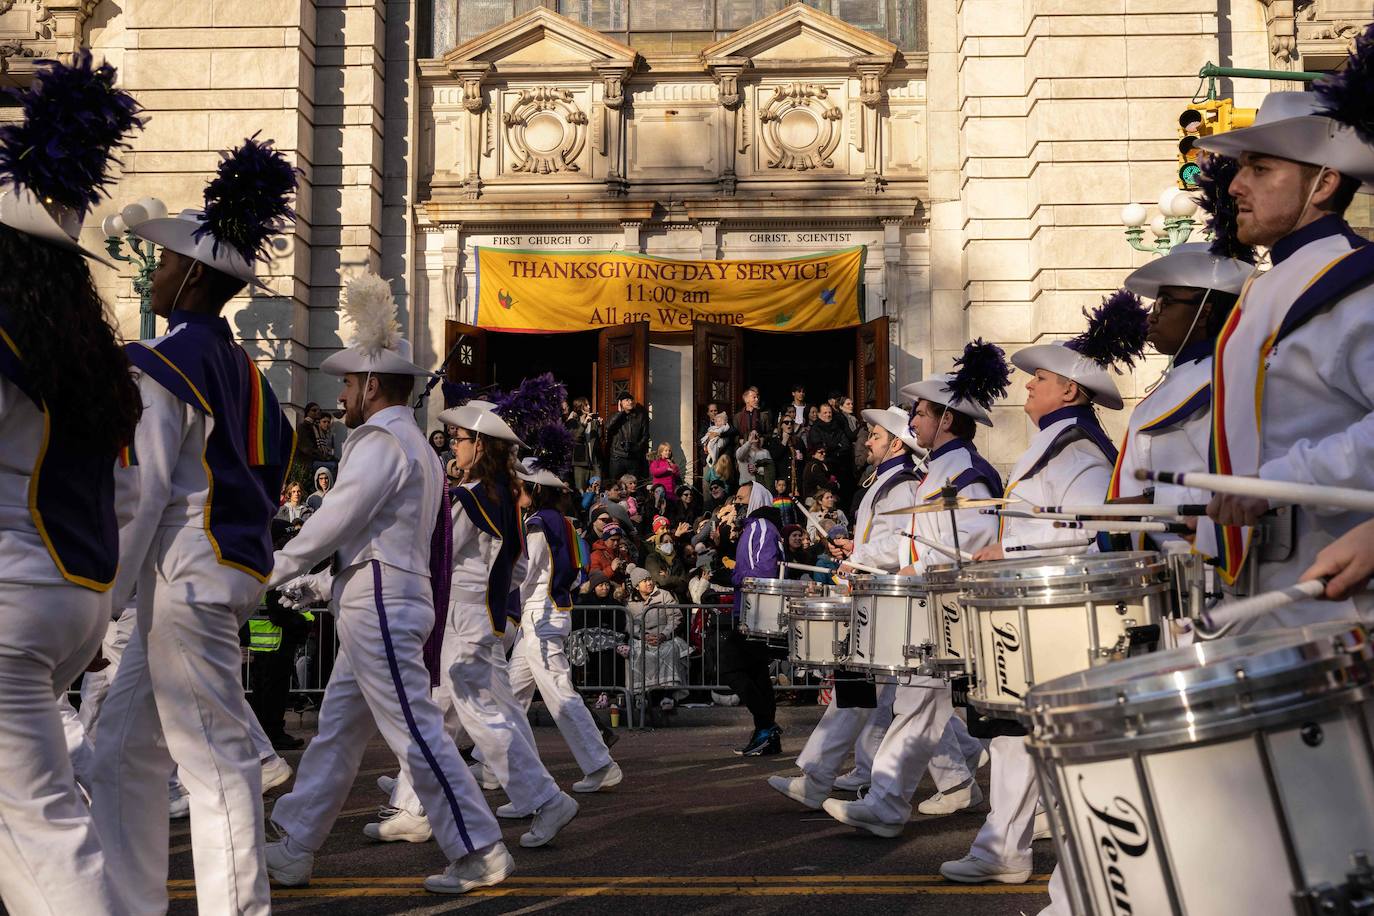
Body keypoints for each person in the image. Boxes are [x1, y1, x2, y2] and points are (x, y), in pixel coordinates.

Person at [89, 134, 299, 914]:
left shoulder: (162, 361)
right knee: (117, 753)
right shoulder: (245, 370)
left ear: (197, 276)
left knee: (213, 767)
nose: (155, 272)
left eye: (167, 262)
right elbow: (272, 466)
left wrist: (100, 604)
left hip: (182, 579)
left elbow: (138, 495)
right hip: (214, 574)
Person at [262, 273, 512, 894]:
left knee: (414, 730)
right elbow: (374, 537)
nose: (342, 394)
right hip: (378, 598)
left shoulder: (380, 438)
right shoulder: (412, 443)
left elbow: (337, 518)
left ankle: (479, 848)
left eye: (349, 383)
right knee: (338, 732)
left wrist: (276, 567)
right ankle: (294, 844)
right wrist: (319, 584)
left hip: (379, 603)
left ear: (372, 385)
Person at [0, 53, 143, 915]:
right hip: (71, 597)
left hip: (11, 601)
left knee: (41, 824)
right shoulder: (87, 348)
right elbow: (124, 495)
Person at [943, 292, 1147, 890]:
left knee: (1054, 741)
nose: (1028, 386)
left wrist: (1008, 551)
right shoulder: (1058, 441)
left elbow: (1086, 529)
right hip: (1039, 609)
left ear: (1070, 392)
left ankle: (1072, 870)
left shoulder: (1079, 449)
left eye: (1041, 379)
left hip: (1063, 613)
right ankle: (1006, 848)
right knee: (1018, 734)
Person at [1193, 50, 1374, 629]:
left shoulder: (1357, 282)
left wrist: (1277, 482)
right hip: (1263, 587)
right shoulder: (1271, 284)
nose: (1235, 186)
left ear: (1324, 183)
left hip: (1336, 598)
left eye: (1260, 168)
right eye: (1240, 168)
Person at [822, 341, 1010, 838]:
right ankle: (897, 801)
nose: (914, 420)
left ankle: (895, 803)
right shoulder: (941, 469)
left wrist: (914, 571)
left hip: (948, 606)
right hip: (932, 604)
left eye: (921, 412)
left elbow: (971, 542)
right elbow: (924, 539)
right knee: (919, 706)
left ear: (946, 419)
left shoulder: (965, 472)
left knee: (924, 706)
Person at [403, 396, 578, 847]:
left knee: (480, 719)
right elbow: (516, 569)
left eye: (460, 439)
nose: (454, 445)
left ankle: (545, 798)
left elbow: (435, 555)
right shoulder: (503, 496)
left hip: (462, 619)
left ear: (479, 444)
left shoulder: (470, 497)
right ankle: (413, 802)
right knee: (448, 714)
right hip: (481, 617)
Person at [767, 406, 921, 811]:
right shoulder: (885, 482)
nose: (867, 442)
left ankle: (818, 779)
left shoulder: (902, 485)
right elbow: (884, 539)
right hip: (878, 597)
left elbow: (904, 543)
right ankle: (956, 775)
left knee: (870, 694)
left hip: (889, 600)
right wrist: (855, 547)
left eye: (875, 436)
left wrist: (859, 555)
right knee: (894, 699)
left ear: (896, 444)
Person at [1108, 242, 1253, 540]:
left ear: (1204, 313)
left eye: (1166, 304)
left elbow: (1243, 482)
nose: (1152, 316)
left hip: (1202, 555)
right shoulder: (1187, 376)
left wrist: (1150, 500)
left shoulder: (1222, 380)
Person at [505, 459, 623, 807]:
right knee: (510, 693)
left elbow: (524, 573)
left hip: (539, 615)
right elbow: (572, 573)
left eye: (524, 483)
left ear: (536, 489)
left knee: (559, 693)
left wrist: (501, 601)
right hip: (547, 612)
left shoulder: (538, 523)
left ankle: (600, 764)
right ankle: (491, 763)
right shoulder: (564, 522)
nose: (518, 488)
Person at [721, 482, 788, 755]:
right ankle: (766, 734)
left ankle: (767, 726)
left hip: (755, 612)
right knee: (758, 674)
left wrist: (733, 575)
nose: (736, 503)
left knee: (728, 667)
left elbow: (761, 572)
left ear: (756, 500)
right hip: (755, 610)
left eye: (741, 498)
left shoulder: (759, 526)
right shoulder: (758, 527)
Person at [623, 565, 689, 706]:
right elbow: (629, 624)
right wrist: (643, 636)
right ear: (636, 586)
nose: (649, 583)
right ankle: (641, 695)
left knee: (670, 650)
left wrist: (663, 635)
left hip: (664, 636)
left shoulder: (664, 595)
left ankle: (668, 695)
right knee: (636, 653)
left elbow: (675, 618)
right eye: (644, 581)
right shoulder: (630, 602)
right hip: (642, 638)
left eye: (650, 579)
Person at [605, 394, 649, 482]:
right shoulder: (614, 416)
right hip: (617, 456)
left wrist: (637, 447)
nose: (630, 402)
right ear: (620, 402)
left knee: (633, 484)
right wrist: (620, 413)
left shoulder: (640, 417)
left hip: (633, 457)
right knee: (615, 483)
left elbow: (645, 435)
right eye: (627, 400)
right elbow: (608, 426)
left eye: (631, 400)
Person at [566, 397, 601, 489]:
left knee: (596, 490)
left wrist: (600, 426)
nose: (589, 407)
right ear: (579, 407)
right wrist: (584, 424)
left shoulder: (592, 421)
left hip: (594, 462)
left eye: (588, 404)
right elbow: (575, 438)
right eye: (586, 405)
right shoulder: (572, 422)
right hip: (580, 462)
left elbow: (598, 439)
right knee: (581, 490)